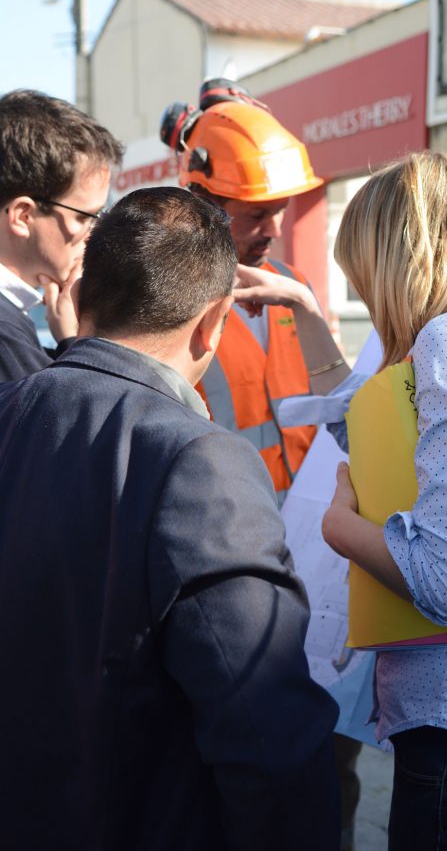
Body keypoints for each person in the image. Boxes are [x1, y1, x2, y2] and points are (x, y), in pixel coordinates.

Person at [238, 151, 447, 851]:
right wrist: (306, 311)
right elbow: (373, 436)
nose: (364, 297)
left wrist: (340, 528)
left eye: (363, 278)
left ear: (395, 262)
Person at [0, 187, 340, 851]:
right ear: (214, 322)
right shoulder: (200, 461)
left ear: (82, 292)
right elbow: (267, 734)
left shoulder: (12, 409)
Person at [160, 82, 361, 851]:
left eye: (280, 208)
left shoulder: (295, 292)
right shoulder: (169, 308)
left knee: (328, 775)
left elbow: (335, 410)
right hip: (233, 578)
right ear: (203, 205)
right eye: (254, 213)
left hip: (319, 568)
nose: (273, 227)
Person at [0, 88, 122, 381]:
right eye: (84, 217)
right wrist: (77, 343)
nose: (94, 234)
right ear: (23, 216)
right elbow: (73, 408)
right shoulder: (5, 336)